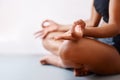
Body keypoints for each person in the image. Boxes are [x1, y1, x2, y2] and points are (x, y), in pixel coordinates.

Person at [35, 0, 120, 76]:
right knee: (49, 37)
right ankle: (83, 64)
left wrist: (84, 32)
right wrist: (59, 27)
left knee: (69, 46)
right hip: (101, 44)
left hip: (117, 50)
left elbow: (115, 27)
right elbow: (92, 22)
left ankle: (62, 62)